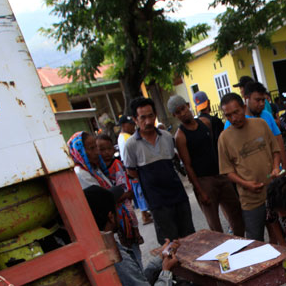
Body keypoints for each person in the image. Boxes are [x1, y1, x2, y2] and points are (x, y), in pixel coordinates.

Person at [83, 186, 221, 286]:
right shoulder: (116, 257)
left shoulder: (97, 249)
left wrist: (161, 257)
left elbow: (138, 282)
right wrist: (166, 271)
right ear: (111, 217)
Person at [168, 95, 245, 236]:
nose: (183, 113)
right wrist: (200, 191)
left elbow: (216, 148)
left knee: (236, 213)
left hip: (221, 174)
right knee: (214, 224)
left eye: (183, 108)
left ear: (188, 105)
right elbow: (187, 165)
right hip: (204, 181)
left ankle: (240, 243)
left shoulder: (204, 122)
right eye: (178, 112)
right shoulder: (180, 136)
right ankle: (224, 253)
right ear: (174, 115)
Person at [123, 97, 195, 244]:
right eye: (143, 117)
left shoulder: (167, 137)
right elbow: (131, 172)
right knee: (169, 243)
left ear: (155, 115)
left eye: (151, 116)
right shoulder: (130, 145)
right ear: (135, 120)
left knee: (189, 238)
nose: (148, 121)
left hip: (178, 196)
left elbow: (172, 162)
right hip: (157, 202)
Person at [217, 93, 284, 240]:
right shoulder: (224, 138)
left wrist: (275, 168)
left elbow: (275, 150)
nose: (234, 118)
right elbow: (227, 171)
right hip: (250, 199)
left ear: (244, 108)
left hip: (273, 193)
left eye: (236, 112)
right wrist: (246, 184)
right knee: (254, 240)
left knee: (278, 235)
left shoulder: (260, 124)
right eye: (228, 115)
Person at [69, 130, 143, 262]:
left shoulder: (95, 169)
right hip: (108, 227)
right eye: (91, 148)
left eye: (96, 147)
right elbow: (102, 200)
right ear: (79, 151)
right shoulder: (81, 174)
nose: (97, 152)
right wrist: (123, 195)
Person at [243, 82, 286, 169]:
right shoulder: (237, 121)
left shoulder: (267, 115)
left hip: (274, 170)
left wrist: (284, 164)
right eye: (257, 100)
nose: (262, 104)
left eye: (263, 100)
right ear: (246, 99)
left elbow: (278, 139)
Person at [118, 114, 152, 225]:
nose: (133, 126)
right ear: (123, 125)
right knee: (140, 191)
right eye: (130, 124)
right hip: (134, 168)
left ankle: (145, 214)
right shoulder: (127, 138)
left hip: (132, 168)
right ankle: (144, 215)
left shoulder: (124, 136)